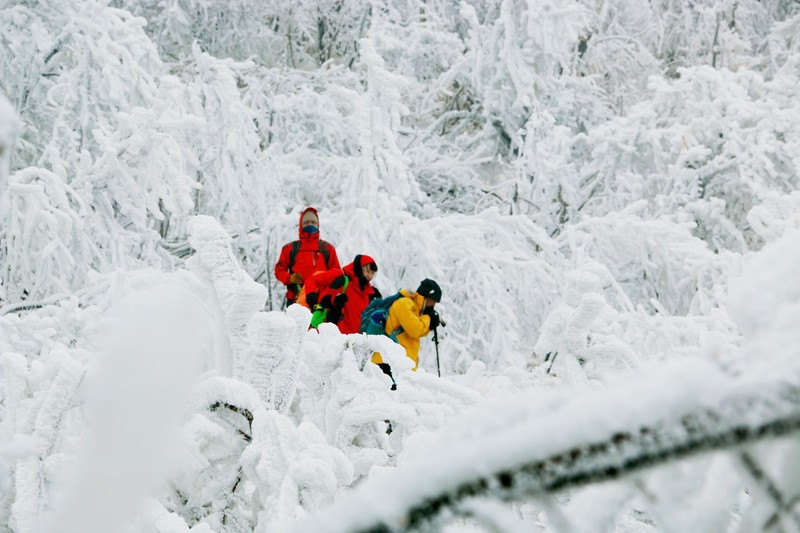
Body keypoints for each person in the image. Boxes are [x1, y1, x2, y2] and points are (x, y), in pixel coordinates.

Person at [372, 278, 442, 372]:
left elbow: (418, 331)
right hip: (388, 362)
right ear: (425, 297)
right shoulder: (405, 304)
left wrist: (429, 325)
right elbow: (415, 330)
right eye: (432, 301)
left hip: (397, 363)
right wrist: (428, 318)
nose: (433, 305)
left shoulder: (415, 309)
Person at [274, 207, 340, 307]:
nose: (310, 225)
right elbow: (279, 270)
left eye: (313, 222)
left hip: (321, 300)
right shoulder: (290, 248)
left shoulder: (327, 248)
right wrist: (289, 278)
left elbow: (336, 273)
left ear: (318, 225)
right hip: (296, 298)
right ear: (301, 225)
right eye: (307, 222)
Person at [305, 255, 380, 332]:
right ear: (360, 268)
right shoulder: (340, 276)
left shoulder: (368, 291)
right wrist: (311, 296)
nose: (370, 276)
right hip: (332, 333)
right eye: (367, 271)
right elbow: (312, 280)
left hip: (354, 338)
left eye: (372, 273)